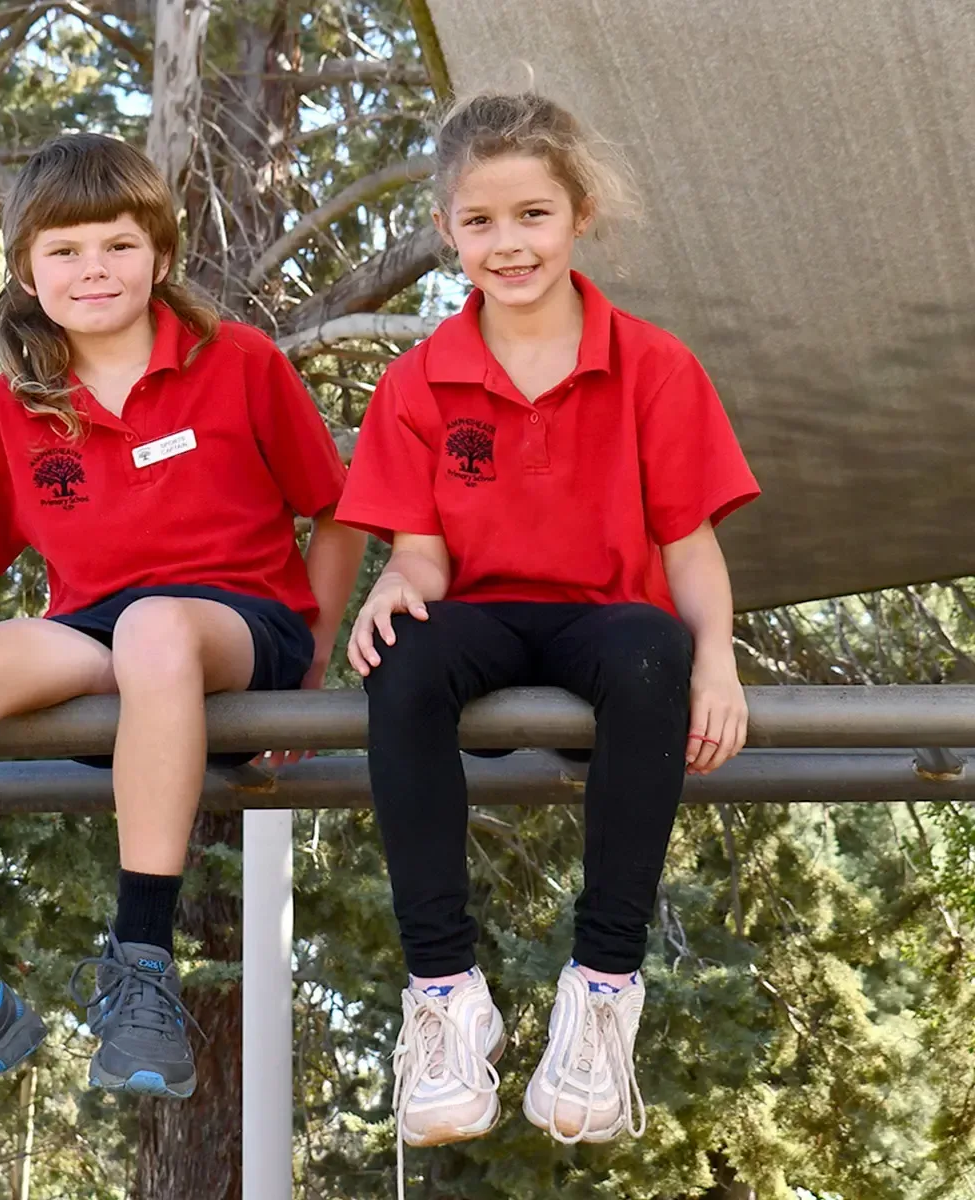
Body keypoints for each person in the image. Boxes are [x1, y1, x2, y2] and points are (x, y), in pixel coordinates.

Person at [0, 132, 364, 1143]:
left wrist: (317, 653)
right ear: (27, 272)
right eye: (66, 251)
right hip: (95, 630)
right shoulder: (16, 405)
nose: (93, 270)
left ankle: (142, 966)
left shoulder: (237, 364)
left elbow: (337, 509)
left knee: (157, 631)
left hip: (233, 624)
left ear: (160, 257)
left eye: (117, 246)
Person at [334, 92, 760, 1163]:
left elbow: (688, 543)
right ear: (446, 232)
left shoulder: (654, 366)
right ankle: (443, 995)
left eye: (532, 215)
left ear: (577, 215)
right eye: (480, 222)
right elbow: (423, 554)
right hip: (479, 616)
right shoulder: (418, 381)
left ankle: (604, 993)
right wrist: (394, 587)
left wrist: (720, 663)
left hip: (605, 623)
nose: (507, 243)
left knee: (654, 647)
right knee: (404, 656)